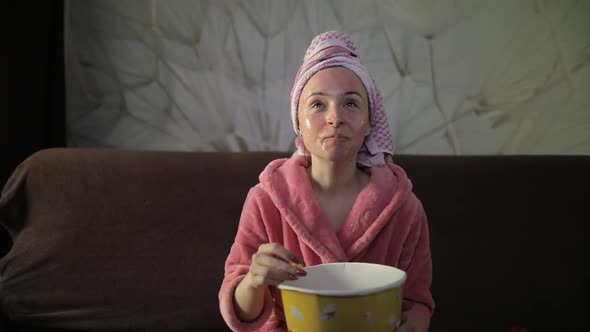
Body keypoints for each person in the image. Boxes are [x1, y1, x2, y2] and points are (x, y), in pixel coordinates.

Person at [219, 31, 434, 332]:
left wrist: (412, 325)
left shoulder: (405, 208)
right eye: (318, 105)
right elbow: (240, 312)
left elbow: (417, 301)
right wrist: (254, 279)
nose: (335, 118)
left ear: (370, 122)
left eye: (350, 103)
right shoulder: (266, 200)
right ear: (299, 122)